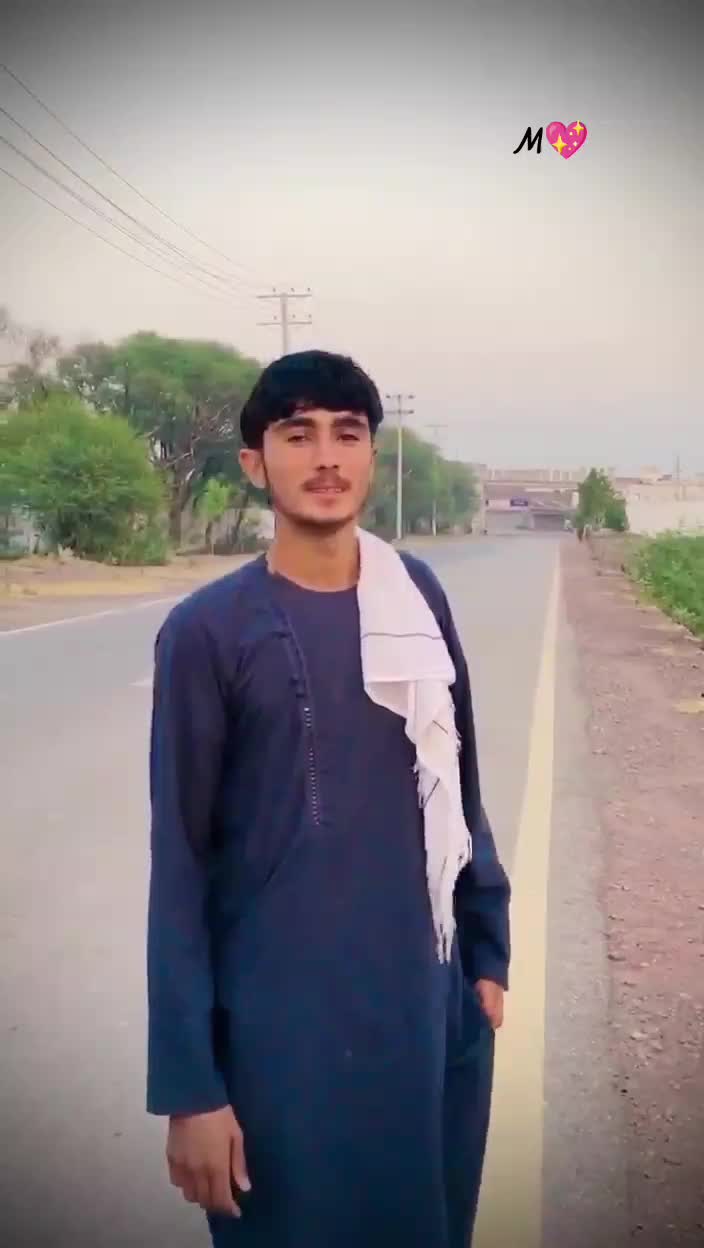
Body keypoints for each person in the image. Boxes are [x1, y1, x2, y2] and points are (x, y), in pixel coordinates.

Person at [146, 349, 511, 1248]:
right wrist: (191, 1087)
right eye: (296, 434)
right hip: (280, 1037)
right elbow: (181, 865)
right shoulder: (206, 632)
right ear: (254, 462)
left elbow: (457, 786)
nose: (325, 458)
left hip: (424, 1016)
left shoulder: (415, 597)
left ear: (372, 457)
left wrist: (487, 955)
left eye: (347, 434)